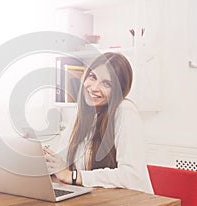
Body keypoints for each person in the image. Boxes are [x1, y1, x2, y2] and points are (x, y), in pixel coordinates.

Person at [43, 52, 153, 193]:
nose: (94, 88)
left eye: (106, 84)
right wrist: (43, 160)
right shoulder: (83, 114)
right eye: (92, 77)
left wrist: (75, 176)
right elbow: (62, 162)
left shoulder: (125, 110)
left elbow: (132, 176)